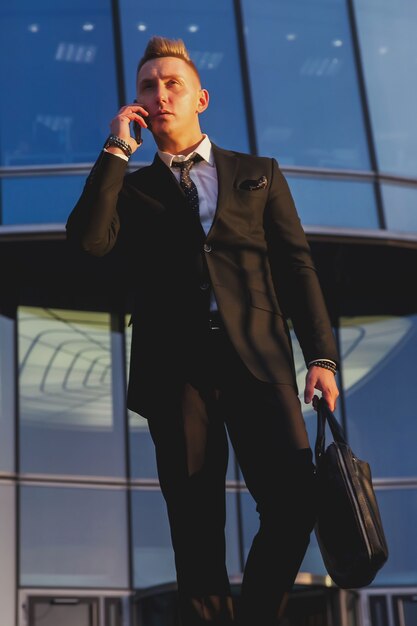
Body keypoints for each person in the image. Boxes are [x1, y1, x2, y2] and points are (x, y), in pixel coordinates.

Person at [66, 36, 339, 626]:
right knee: (194, 528)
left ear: (201, 98)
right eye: (147, 87)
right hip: (175, 372)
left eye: (172, 85)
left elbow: (297, 267)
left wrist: (322, 357)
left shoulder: (258, 174)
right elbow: (89, 241)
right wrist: (117, 146)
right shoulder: (133, 190)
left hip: (259, 363)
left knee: (294, 504)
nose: (159, 95)